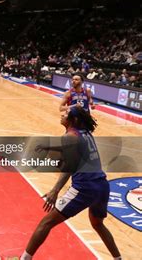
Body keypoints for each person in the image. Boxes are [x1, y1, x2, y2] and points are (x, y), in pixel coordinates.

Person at [21, 106, 121, 260]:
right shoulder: (85, 132)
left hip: (84, 188)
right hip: (101, 186)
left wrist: (55, 190)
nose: (62, 114)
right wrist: (49, 147)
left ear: (73, 120)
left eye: (66, 114)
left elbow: (70, 165)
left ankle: (24, 259)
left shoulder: (70, 136)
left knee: (46, 223)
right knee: (98, 225)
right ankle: (118, 259)